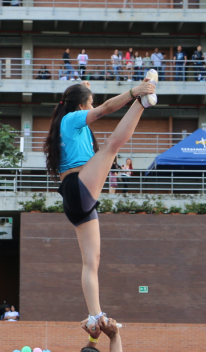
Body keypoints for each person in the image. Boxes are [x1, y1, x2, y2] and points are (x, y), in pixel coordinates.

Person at [44, 74, 156, 329]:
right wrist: (133, 92)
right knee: (111, 147)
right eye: (90, 103)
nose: (93, 107)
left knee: (92, 262)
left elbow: (91, 104)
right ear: (81, 107)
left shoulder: (73, 124)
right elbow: (105, 109)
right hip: (76, 187)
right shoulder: (71, 119)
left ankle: (95, 314)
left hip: (75, 197)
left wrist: (84, 89)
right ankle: (142, 103)